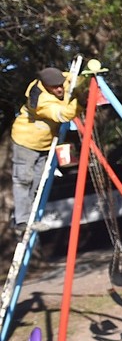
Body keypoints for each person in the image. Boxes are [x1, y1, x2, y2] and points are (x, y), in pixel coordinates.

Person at [10, 66, 81, 230]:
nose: (59, 89)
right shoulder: (39, 100)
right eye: (54, 87)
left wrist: (83, 82)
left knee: (39, 181)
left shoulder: (58, 79)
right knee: (23, 180)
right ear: (45, 85)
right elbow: (63, 114)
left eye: (60, 85)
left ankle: (27, 216)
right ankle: (21, 221)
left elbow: (69, 77)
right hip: (26, 141)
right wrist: (81, 101)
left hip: (45, 143)